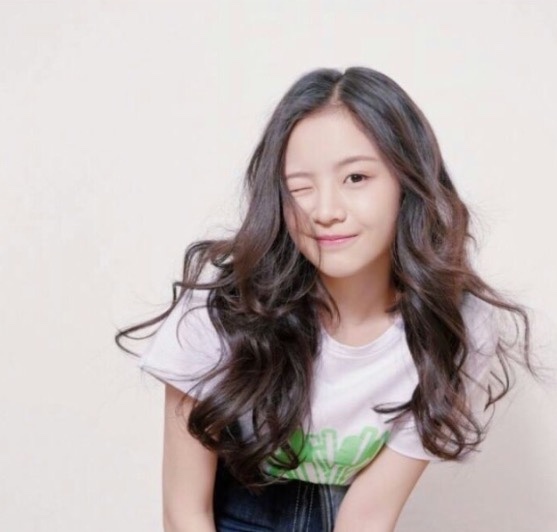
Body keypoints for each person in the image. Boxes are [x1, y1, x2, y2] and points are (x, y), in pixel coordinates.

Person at [115, 66, 541, 532]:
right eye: (299, 187)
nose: (325, 211)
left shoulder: (457, 326)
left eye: (356, 178)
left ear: (407, 181)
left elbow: (369, 516)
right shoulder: (220, 312)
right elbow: (184, 513)